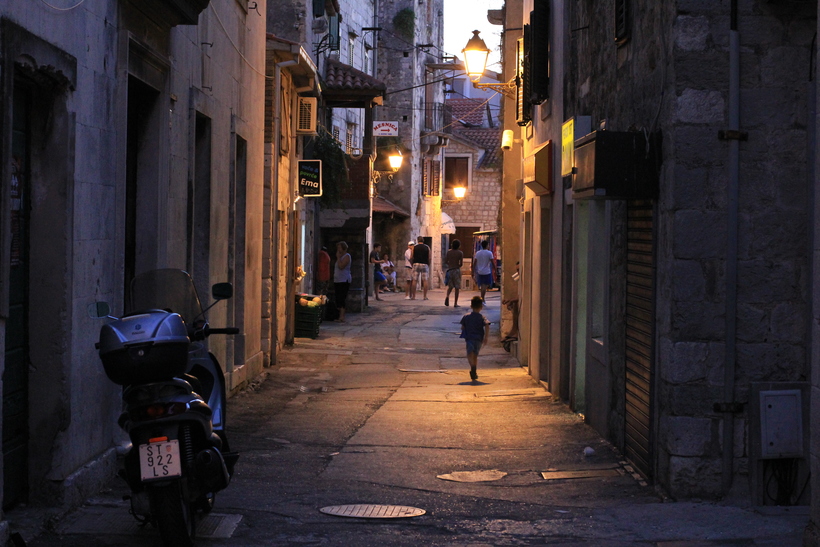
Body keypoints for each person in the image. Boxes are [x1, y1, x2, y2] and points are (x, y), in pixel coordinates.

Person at [460, 296, 491, 381]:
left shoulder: (466, 317)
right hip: (479, 339)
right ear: (481, 307)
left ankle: (472, 367)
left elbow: (462, 327)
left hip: (469, 338)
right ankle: (474, 369)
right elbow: (487, 325)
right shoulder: (482, 317)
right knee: (475, 355)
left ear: (471, 306)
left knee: (469, 353)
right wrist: (486, 337)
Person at [333, 241, 352, 322]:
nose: (338, 249)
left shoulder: (347, 256)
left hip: (344, 280)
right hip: (337, 280)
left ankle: (342, 316)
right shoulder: (341, 257)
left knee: (342, 297)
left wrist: (338, 257)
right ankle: (339, 316)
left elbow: (341, 266)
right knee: (338, 297)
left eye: (339, 248)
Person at [443, 239, 464, 307]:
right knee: (457, 287)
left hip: (450, 270)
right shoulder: (460, 253)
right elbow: (461, 264)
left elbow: (445, 261)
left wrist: (450, 265)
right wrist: (457, 266)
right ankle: (455, 303)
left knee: (450, 286)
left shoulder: (449, 252)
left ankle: (447, 296)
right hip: (456, 270)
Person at [412, 236, 431, 300]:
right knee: (425, 280)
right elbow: (429, 257)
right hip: (424, 264)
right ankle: (425, 296)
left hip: (416, 263)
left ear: (418, 240)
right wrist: (428, 264)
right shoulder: (427, 247)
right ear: (423, 240)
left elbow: (412, 256)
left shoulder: (414, 247)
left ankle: (413, 296)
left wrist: (412, 263)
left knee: (414, 280)